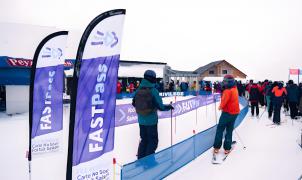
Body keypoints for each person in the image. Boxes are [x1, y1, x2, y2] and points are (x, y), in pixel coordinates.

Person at [132, 70, 174, 159]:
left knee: (144, 140)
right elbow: (161, 107)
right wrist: (169, 107)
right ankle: (149, 162)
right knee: (152, 141)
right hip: (151, 121)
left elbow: (134, 103)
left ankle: (141, 160)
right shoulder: (153, 90)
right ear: (152, 79)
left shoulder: (138, 89)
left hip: (141, 120)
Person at [213, 75, 240, 154]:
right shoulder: (235, 88)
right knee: (229, 129)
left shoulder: (228, 91)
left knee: (220, 129)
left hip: (227, 113)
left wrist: (220, 107)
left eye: (225, 81)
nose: (223, 82)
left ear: (228, 82)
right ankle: (227, 148)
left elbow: (224, 102)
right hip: (235, 113)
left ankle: (217, 147)